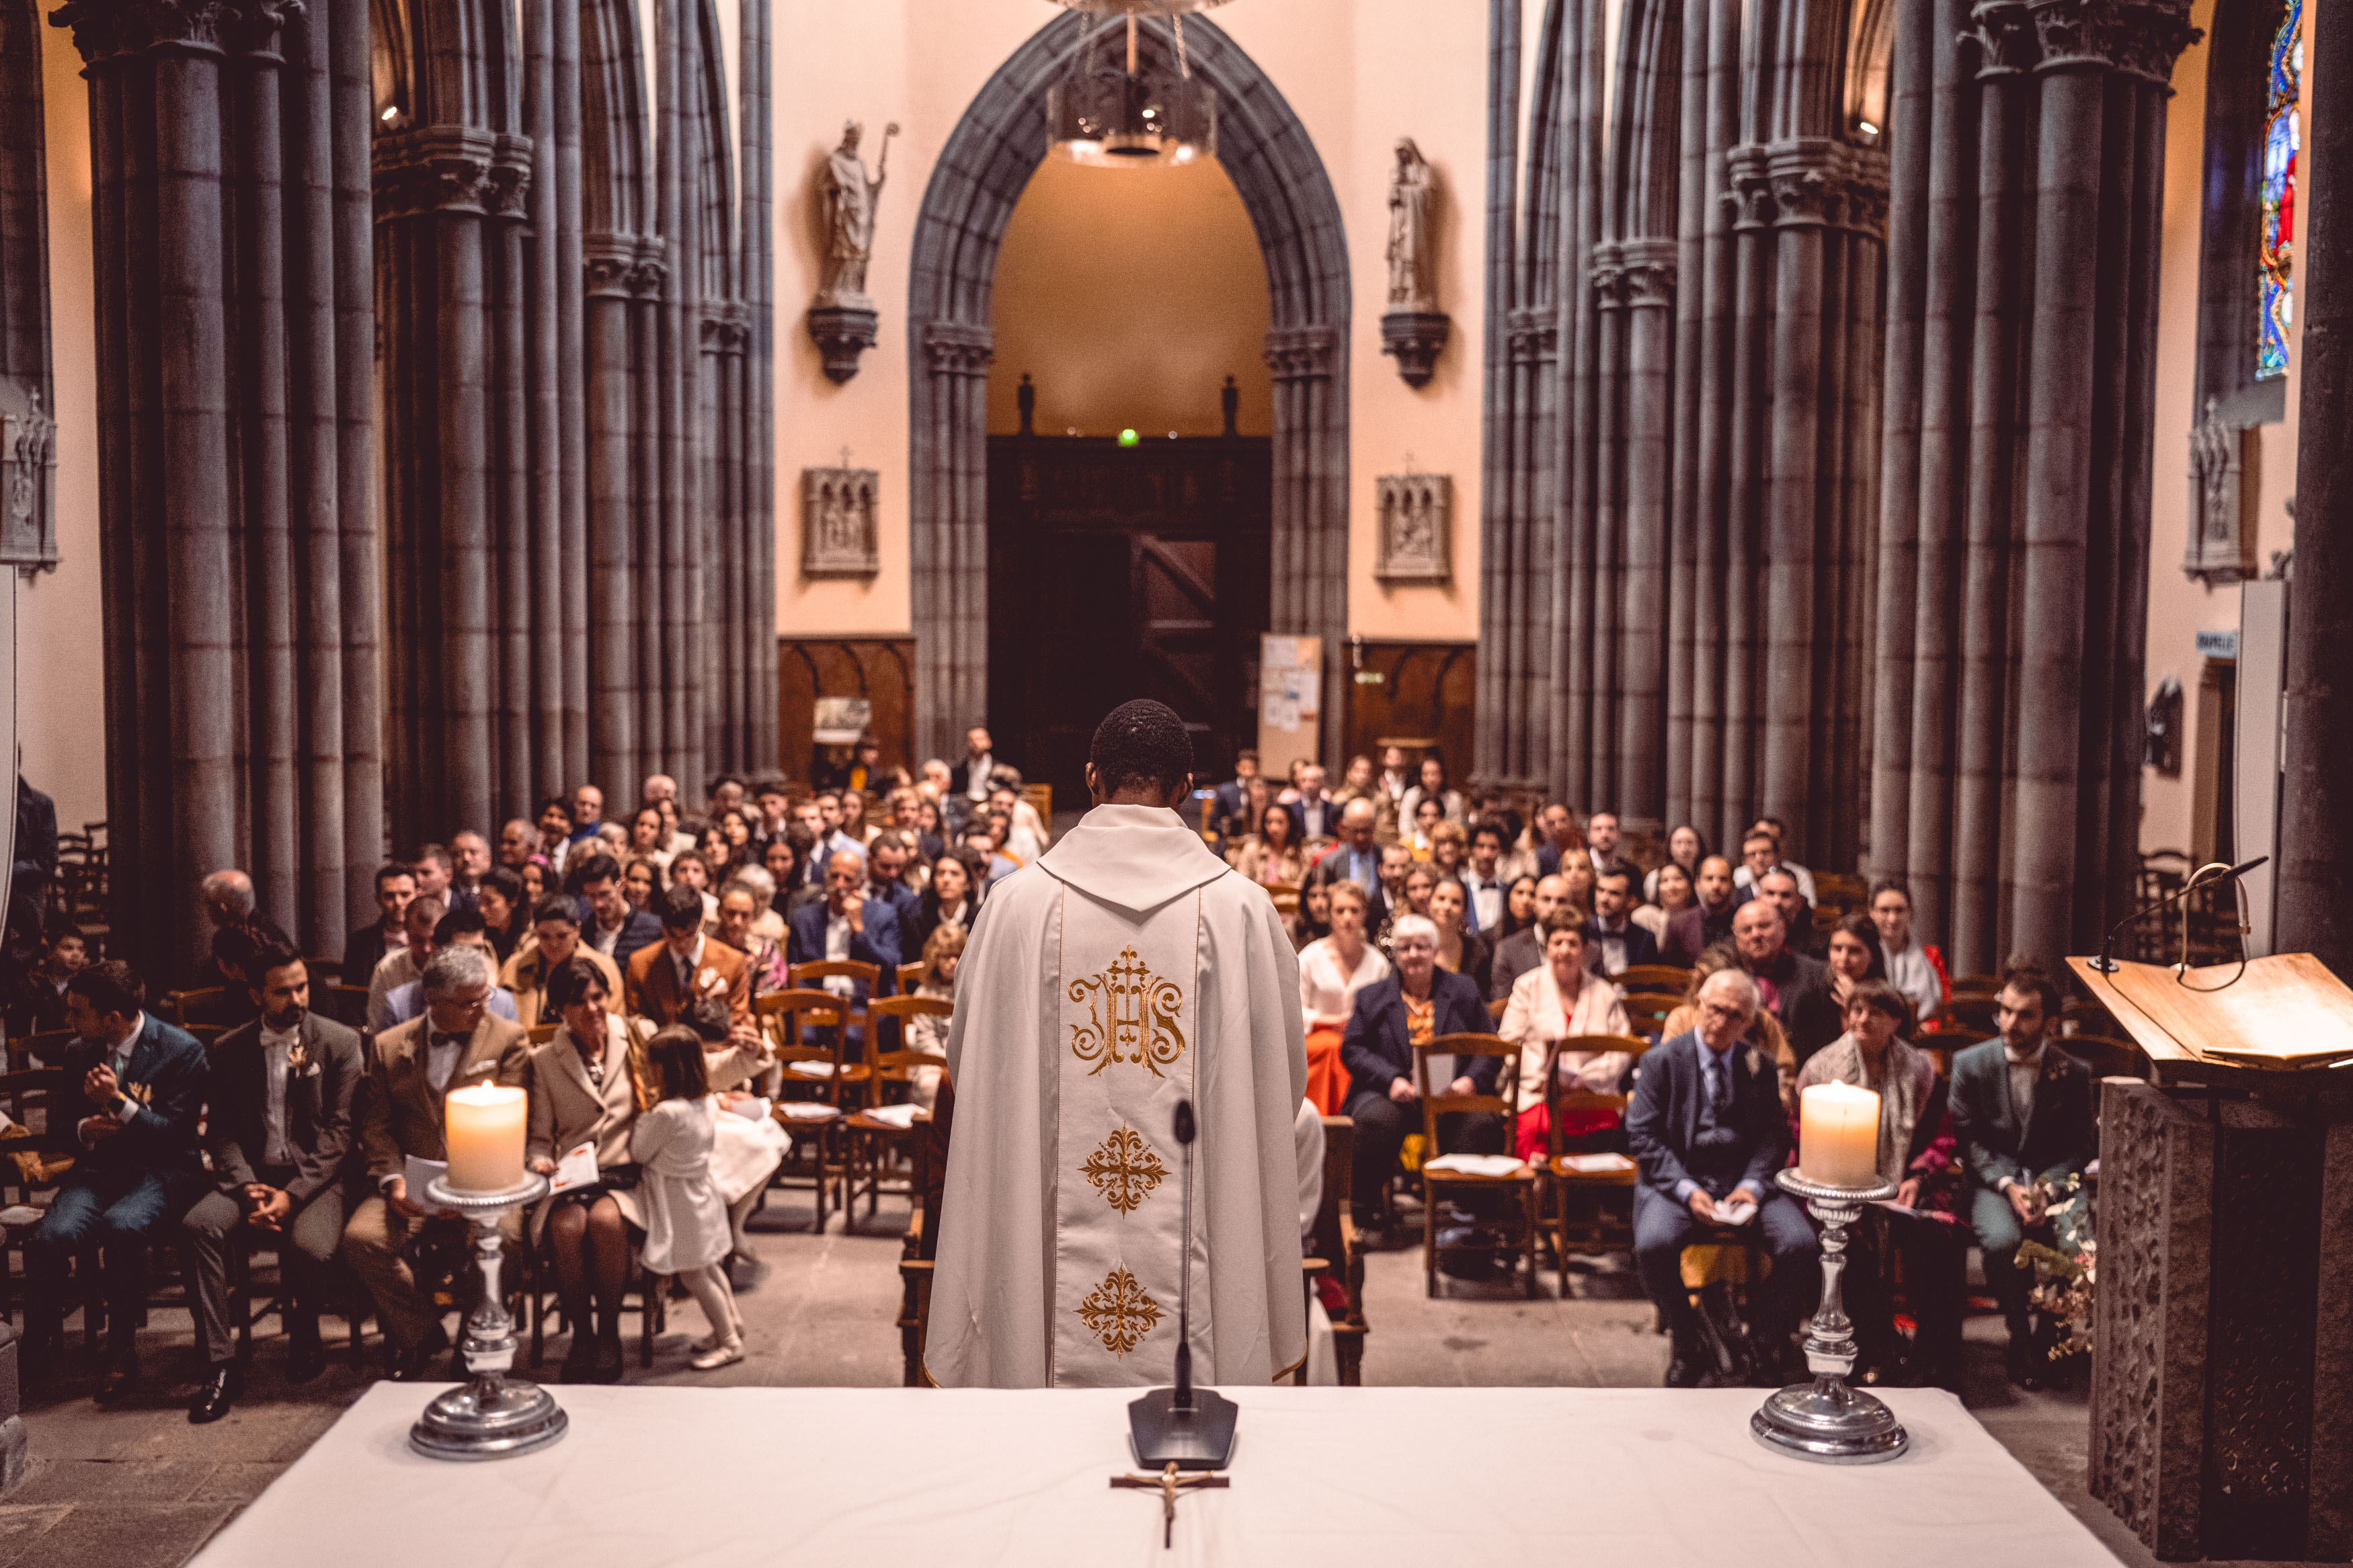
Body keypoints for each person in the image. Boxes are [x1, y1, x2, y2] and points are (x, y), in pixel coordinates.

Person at [928, 698, 1308, 1389]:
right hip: (1198, 1249)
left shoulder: (1013, 907)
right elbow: (1280, 1079)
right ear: (1187, 790)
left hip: (1041, 1251)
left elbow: (970, 1066)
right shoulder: (1243, 911)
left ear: (1090, 779)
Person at [181, 948, 364, 1421]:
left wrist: (293, 1195)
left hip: (315, 1181)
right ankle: (221, 1363)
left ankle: (305, 1331)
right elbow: (219, 1130)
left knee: (311, 1245)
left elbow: (340, 1134)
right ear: (256, 995)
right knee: (200, 1224)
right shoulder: (229, 1047)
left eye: (301, 987)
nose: (296, 998)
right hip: (251, 1177)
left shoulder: (340, 1042)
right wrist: (246, 1187)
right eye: (282, 990)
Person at [1626, 967, 1819, 1387]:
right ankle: (1688, 1339)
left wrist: (1751, 1188)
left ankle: (1760, 1338)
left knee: (1801, 1243)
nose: (1722, 1023)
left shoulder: (1758, 1064)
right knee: (1653, 1244)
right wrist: (1686, 1189)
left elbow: (1774, 1136)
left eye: (1735, 1016)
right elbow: (1643, 1134)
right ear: (1698, 1006)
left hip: (1741, 1181)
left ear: (1749, 1022)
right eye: (1715, 1010)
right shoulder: (1662, 1061)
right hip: (1679, 1180)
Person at [24, 962, 210, 1399]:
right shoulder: (79, 1051)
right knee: (50, 1237)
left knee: (122, 1227)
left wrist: (119, 1103)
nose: (70, 1021)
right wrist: (83, 1130)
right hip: (97, 1170)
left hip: (159, 1172)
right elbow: (57, 1129)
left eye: (78, 1013)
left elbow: (180, 1136)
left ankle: (121, 1353)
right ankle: (33, 1350)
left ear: (111, 1018)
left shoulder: (181, 1050)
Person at [344, 946, 530, 1380]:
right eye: (468, 1002)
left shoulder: (507, 1039)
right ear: (433, 999)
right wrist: (393, 1180)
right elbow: (376, 1123)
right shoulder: (390, 1046)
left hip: (485, 1180)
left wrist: (470, 1187)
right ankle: (421, 1332)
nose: (480, 1010)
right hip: (413, 1181)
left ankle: (474, 1337)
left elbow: (515, 1119)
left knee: (502, 1241)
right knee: (361, 1239)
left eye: (484, 997)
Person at [1796, 981, 1964, 1388]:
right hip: (1838, 1186)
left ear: (1896, 1021)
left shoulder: (1919, 1070)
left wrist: (1919, 1175)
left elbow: (1942, 1134)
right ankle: (1870, 1347)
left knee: (1942, 1240)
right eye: (1856, 1010)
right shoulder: (1822, 1068)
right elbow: (1801, 1133)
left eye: (1874, 1012)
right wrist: (1842, 1181)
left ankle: (1931, 1355)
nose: (1862, 1019)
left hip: (1902, 1186)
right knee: (1857, 1246)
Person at [1949, 959, 2096, 1387]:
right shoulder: (1970, 1064)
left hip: (2056, 1181)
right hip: (1993, 1180)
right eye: (2006, 1010)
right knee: (2003, 1241)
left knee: (2077, 1246)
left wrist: (2047, 1190)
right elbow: (1969, 1142)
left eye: (2025, 1014)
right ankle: (2019, 1337)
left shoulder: (2074, 1072)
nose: (2010, 1022)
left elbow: (2080, 1147)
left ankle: (2051, 1334)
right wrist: (2009, 1185)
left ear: (2050, 1023)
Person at [526, 956, 646, 1383]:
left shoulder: (635, 1036)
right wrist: (539, 1162)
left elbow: (691, 1075)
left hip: (625, 1173)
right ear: (560, 1009)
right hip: (573, 1176)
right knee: (566, 1228)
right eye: (579, 1002)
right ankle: (582, 1335)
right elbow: (540, 1136)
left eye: (598, 997)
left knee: (607, 1222)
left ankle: (611, 1334)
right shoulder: (544, 1060)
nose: (593, 1009)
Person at [1339, 914, 1495, 1235]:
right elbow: (1353, 1048)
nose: (1413, 955)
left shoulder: (1463, 990)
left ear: (1435, 949)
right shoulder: (1372, 996)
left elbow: (1488, 1045)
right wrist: (1391, 1079)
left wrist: (1471, 1081)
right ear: (1395, 954)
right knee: (1374, 1122)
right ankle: (1362, 1207)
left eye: (1421, 947)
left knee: (1482, 1123)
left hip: (1451, 1096)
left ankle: (1466, 1212)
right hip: (1391, 1094)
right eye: (1405, 948)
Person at [630, 1024, 745, 1370]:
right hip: (703, 1194)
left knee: (693, 1275)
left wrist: (643, 1117)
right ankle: (732, 1322)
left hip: (678, 1200)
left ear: (666, 1069)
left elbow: (639, 1151)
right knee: (708, 1265)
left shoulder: (667, 1113)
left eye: (652, 1064)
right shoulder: (705, 1102)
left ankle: (729, 1341)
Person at [1499, 917, 1632, 1161]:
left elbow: (1621, 1049)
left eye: (1573, 943)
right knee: (1535, 1130)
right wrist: (1546, 1079)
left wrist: (1584, 1080)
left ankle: (1585, 1198)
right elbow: (1510, 1040)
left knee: (1607, 1132)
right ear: (1546, 947)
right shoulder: (1527, 985)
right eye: (1557, 942)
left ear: (1585, 949)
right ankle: (1537, 1196)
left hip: (1590, 1094)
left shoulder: (1605, 992)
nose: (1564, 950)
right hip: (1538, 1091)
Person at [1296, 881, 1390, 1116]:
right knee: (1333, 1047)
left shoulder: (1378, 963)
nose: (1347, 917)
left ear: (1365, 914)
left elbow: (1387, 1014)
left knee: (1353, 1052)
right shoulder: (1309, 957)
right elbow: (1294, 1011)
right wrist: (1330, 1021)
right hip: (1316, 1042)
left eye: (1354, 910)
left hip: (1363, 1044)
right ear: (1329, 915)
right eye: (1340, 911)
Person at [788, 850, 904, 1022]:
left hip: (861, 1006)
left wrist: (859, 930)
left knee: (854, 1036)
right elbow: (794, 970)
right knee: (806, 1035)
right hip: (817, 1003)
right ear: (826, 876)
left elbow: (891, 965)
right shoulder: (804, 918)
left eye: (848, 879)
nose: (840, 885)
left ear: (861, 881)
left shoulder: (883, 915)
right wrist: (812, 1003)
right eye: (835, 876)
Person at [627, 882, 752, 1030]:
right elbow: (637, 1024)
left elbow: (737, 1019)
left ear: (702, 923)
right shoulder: (640, 964)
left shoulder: (733, 961)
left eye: (689, 935)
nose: (682, 943)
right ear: (662, 925)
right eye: (673, 936)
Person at [372, 908, 520, 1032]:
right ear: (438, 951)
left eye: (478, 949)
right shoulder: (400, 1005)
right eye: (462, 950)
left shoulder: (503, 1003)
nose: (473, 958)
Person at [1732, 898, 1841, 1065]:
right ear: (1737, 938)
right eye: (1747, 930)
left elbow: (1829, 1043)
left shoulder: (1817, 975)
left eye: (1764, 926)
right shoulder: (1727, 979)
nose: (1756, 935)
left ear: (1783, 929)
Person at [501, 897, 624, 1029]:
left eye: (562, 936)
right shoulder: (514, 967)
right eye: (545, 936)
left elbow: (615, 1024)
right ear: (535, 932)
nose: (553, 944)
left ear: (577, 930)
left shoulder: (603, 967)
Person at [364, 895, 446, 1046]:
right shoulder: (388, 968)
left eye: (433, 939)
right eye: (418, 940)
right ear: (406, 933)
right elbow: (378, 1032)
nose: (426, 949)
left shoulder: (458, 965)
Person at [1869, 880, 1948, 1028]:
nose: (1892, 918)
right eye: (1885, 910)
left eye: (1899, 910)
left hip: (1923, 1038)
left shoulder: (1931, 956)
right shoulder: (1864, 957)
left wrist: (1929, 1029)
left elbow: (1946, 1009)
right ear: (1872, 913)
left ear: (1910, 912)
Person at [905, 924, 964, 1110]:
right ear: (934, 958)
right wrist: (945, 1064)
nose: (953, 962)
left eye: (958, 955)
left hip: (965, 1063)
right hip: (933, 1062)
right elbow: (925, 1038)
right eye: (946, 956)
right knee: (930, 1087)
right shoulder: (924, 993)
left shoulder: (971, 991)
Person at [571, 851, 663, 966]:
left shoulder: (653, 929)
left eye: (604, 894)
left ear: (622, 885)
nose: (598, 904)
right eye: (591, 896)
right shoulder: (582, 932)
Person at [1490, 874, 1572, 1003]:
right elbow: (1501, 1007)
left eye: (1561, 901)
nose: (1553, 908)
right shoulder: (1507, 949)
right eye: (1546, 899)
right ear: (1535, 904)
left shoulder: (1590, 951)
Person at [342, 862, 417, 989]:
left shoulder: (429, 940)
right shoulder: (358, 944)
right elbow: (352, 998)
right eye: (389, 896)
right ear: (378, 899)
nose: (398, 902)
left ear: (418, 895)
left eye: (405, 895)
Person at [1663, 854, 1744, 966]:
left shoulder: (1745, 922)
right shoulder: (1678, 925)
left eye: (1723, 879)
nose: (1716, 885)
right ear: (1698, 884)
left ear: (1733, 885)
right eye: (1709, 878)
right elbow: (1667, 974)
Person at [715, 876, 791, 995]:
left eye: (745, 915)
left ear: (754, 916)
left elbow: (768, 1000)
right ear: (719, 911)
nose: (737, 922)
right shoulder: (705, 947)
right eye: (731, 913)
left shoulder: (765, 950)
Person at [1585, 868, 1661, 979]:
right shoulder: (1583, 931)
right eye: (1601, 890)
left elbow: (1650, 984)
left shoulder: (1645, 938)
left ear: (1631, 901)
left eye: (1614, 893)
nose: (1604, 899)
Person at [1428, 877, 1492, 998]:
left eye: (1455, 902)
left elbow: (1482, 1000)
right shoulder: (1412, 945)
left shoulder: (1476, 951)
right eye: (1441, 899)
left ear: (1464, 911)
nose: (1447, 906)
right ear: (1429, 903)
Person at [910, 847, 982, 953]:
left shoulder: (980, 918)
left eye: (955, 873)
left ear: (968, 884)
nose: (946, 879)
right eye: (941, 873)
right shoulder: (919, 918)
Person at [1733, 822, 1817, 905]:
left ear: (1777, 855)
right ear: (1744, 861)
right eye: (1752, 854)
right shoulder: (1737, 894)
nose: (1759, 859)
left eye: (1765, 852)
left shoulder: (1794, 878)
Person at [1232, 799, 1308, 890]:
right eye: (1269, 822)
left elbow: (1303, 889)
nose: (1274, 828)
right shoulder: (1251, 849)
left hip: (1290, 902)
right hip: (1257, 901)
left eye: (1280, 822)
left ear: (1290, 824)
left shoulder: (1301, 852)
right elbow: (1242, 882)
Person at [1824, 912, 1888, 1015]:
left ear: (1873, 956)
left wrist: (1856, 1003)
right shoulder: (1815, 992)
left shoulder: (1886, 1003)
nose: (1844, 958)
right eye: (1837, 949)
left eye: (1854, 951)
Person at [1756, 868, 1825, 958]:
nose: (1777, 901)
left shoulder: (1819, 948)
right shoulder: (1743, 940)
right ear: (1757, 899)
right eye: (1770, 893)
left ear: (1799, 903)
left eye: (1785, 895)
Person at [1462, 821, 1515, 935]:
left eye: (1493, 847)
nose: (1486, 854)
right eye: (1481, 846)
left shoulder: (1509, 891)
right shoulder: (1460, 889)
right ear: (1471, 849)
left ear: (1501, 850)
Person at [1645, 825, 1707, 903]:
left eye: (1690, 843)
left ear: (1699, 847)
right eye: (1679, 843)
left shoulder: (1707, 876)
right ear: (1670, 847)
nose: (1684, 849)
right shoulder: (1655, 876)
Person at [477, 866, 527, 962]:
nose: (481, 910)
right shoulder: (480, 937)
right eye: (480, 902)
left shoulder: (531, 939)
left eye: (490, 902)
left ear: (513, 900)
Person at [1399, 754, 1464, 827]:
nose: (1431, 779)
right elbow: (1405, 827)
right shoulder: (1410, 796)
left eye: (1435, 773)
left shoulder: (1454, 799)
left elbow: (1456, 829)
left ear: (1442, 775)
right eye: (1426, 774)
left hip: (1444, 838)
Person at [948, 725, 999, 809]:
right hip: (967, 806)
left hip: (989, 805)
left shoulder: (997, 767)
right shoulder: (960, 768)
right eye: (972, 740)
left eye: (980, 739)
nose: (976, 743)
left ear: (989, 742)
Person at [1286, 762, 1339, 843]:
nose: (1308, 785)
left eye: (1313, 781)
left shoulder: (1333, 810)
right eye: (1304, 780)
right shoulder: (1291, 810)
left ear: (1322, 782)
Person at [1531, 802, 1583, 878]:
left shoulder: (1589, 848)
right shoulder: (1543, 855)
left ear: (1572, 820)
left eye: (1563, 820)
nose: (1558, 827)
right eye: (1552, 823)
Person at [1583, 811, 1630, 884]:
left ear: (1619, 834)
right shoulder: (1577, 868)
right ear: (1589, 835)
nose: (1604, 834)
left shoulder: (1630, 872)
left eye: (1611, 829)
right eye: (1598, 829)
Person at [1497, 874, 1540, 942]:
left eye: (1532, 895)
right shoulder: (1488, 938)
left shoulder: (1544, 938)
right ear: (1508, 897)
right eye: (1520, 893)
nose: (1525, 901)